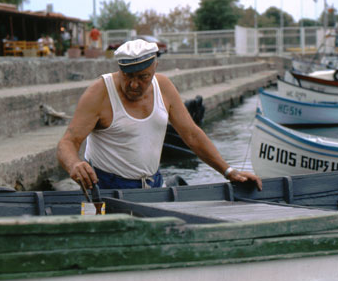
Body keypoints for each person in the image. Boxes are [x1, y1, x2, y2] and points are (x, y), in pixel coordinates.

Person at [57, 39, 262, 191]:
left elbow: (191, 134)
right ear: (120, 69)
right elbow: (68, 142)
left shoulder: (163, 87)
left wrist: (229, 171)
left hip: (153, 185)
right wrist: (74, 164)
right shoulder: (100, 93)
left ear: (155, 68)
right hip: (106, 188)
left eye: (143, 77)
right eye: (127, 76)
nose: (134, 84)